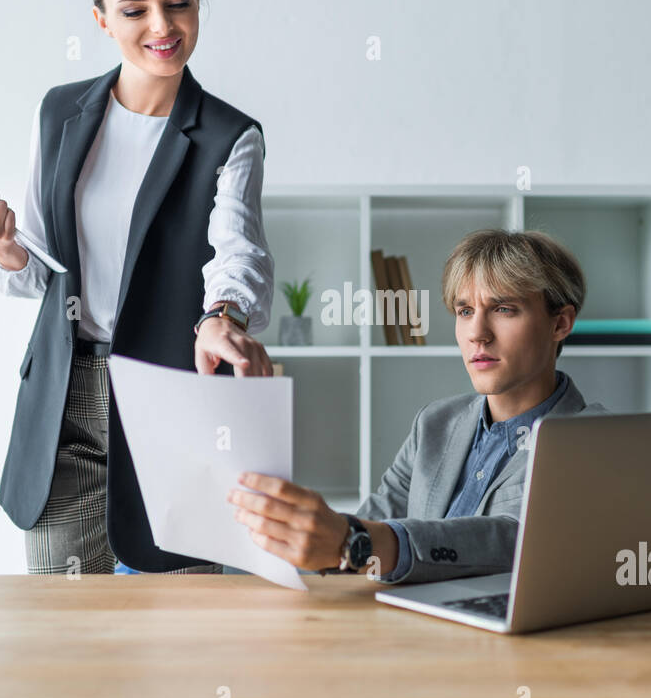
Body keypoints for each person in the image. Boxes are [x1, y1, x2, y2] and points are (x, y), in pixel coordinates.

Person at [0, 0, 274, 575]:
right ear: (102, 20)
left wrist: (224, 315)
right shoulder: (60, 112)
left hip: (172, 398)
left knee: (177, 634)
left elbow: (236, 247)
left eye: (179, 1)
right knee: (62, 631)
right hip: (65, 401)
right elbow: (42, 265)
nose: (163, 24)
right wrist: (5, 250)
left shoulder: (229, 135)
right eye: (135, 9)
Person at [229, 229, 611, 584]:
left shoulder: (591, 437)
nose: (477, 333)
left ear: (560, 323)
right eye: (464, 311)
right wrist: (296, 532)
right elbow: (373, 520)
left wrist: (356, 542)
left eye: (504, 309)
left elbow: (517, 541)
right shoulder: (435, 423)